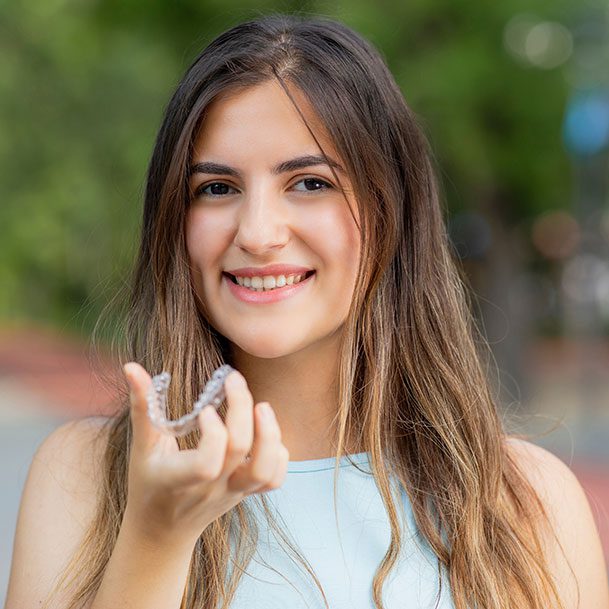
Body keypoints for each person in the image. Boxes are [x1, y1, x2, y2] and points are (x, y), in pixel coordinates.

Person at [5, 13, 609, 609]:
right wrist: (156, 538)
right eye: (217, 188)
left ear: (390, 211)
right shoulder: (84, 474)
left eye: (310, 183)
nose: (259, 232)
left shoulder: (526, 503)